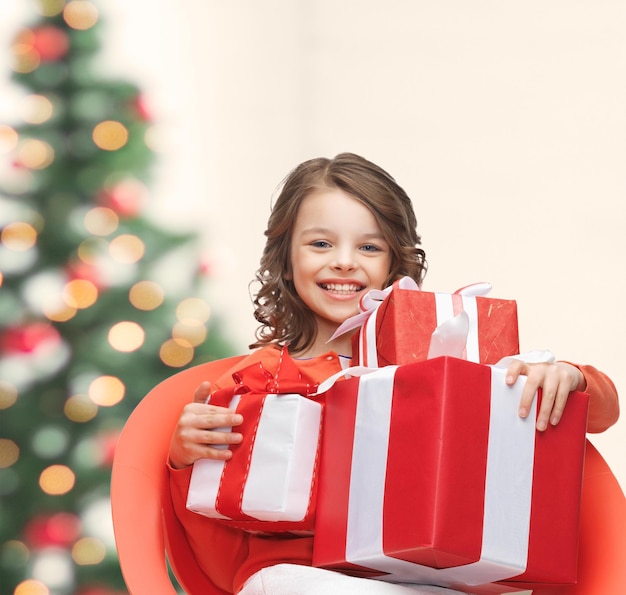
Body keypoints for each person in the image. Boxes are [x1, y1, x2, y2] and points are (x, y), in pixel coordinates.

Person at [168, 153, 620, 595]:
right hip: (295, 576)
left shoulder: (438, 365)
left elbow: (598, 414)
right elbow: (216, 537)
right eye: (321, 243)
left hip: (423, 577)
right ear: (285, 260)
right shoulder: (263, 378)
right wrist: (187, 459)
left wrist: (569, 377)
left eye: (369, 246)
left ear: (394, 264)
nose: (345, 261)